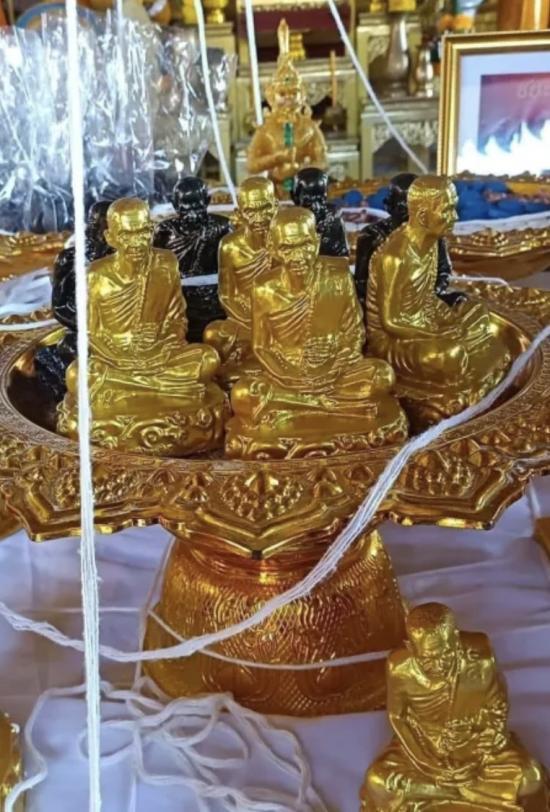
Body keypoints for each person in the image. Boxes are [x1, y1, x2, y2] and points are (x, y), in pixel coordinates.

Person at [225, 207, 407, 459]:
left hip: (336, 372)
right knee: (243, 394)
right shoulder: (264, 288)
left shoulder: (338, 276)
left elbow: (355, 331)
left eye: (305, 245)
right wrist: (292, 372)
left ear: (317, 242)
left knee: (381, 375)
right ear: (273, 249)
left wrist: (335, 353)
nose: (298, 256)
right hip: (287, 376)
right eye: (288, 248)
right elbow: (262, 346)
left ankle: (301, 405)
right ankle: (325, 405)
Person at [58, 198, 228, 456]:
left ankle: (135, 389)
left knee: (207, 358)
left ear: (151, 231)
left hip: (160, 355)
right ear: (111, 237)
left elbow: (177, 318)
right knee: (78, 375)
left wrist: (162, 343)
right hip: (115, 360)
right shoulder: (96, 275)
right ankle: (166, 389)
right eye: (127, 234)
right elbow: (91, 333)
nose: (136, 242)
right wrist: (122, 352)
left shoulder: (166, 263)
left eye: (142, 232)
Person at [362, 602, 548, 811]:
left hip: (474, 746)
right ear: (412, 648)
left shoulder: (479, 657)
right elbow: (397, 716)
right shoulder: (400, 668)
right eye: (428, 659)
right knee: (378, 780)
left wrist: (487, 741)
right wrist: (428, 763)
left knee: (530, 778)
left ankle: (443, 791)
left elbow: (497, 706)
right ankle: (453, 792)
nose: (439, 665)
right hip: (425, 748)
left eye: (445, 654)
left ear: (456, 639)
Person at [366, 176, 511, 428]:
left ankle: (462, 349)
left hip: (426, 321)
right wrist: (437, 332)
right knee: (448, 356)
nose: (455, 217)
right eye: (447, 210)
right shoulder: (396, 257)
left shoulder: (431, 243)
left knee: (478, 313)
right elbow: (391, 322)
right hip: (395, 340)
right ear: (423, 216)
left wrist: (447, 319)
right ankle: (458, 356)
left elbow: (427, 298)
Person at [34, 201, 112, 401]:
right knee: (74, 352)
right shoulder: (70, 259)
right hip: (84, 330)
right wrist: (89, 326)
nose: (103, 233)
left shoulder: (128, 260)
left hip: (124, 333)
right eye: (98, 225)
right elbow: (59, 307)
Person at [203, 176, 277, 383]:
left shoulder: (285, 244)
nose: (259, 218)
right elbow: (227, 295)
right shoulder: (230, 246)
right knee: (213, 334)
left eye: (265, 208)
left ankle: (250, 365)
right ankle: (254, 362)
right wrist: (249, 317)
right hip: (244, 320)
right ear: (239, 213)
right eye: (251, 211)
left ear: (276, 206)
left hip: (276, 323)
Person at [355, 172, 466, 308]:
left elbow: (443, 271)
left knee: (466, 304)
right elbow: (361, 282)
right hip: (387, 305)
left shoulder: (432, 234)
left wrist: (432, 294)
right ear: (390, 205)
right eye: (404, 206)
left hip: (426, 300)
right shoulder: (372, 235)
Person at [153, 176, 233, 342]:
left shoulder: (222, 227)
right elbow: (156, 269)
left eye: (197, 206)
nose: (192, 213)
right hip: (179, 300)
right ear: (175, 204)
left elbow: (233, 267)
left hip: (214, 300)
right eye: (185, 206)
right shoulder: (165, 232)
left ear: (207, 201)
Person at [291, 168, 348, 257]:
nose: (315, 207)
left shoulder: (334, 222)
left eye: (320, 200)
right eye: (308, 202)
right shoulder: (290, 225)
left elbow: (343, 257)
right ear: (295, 198)